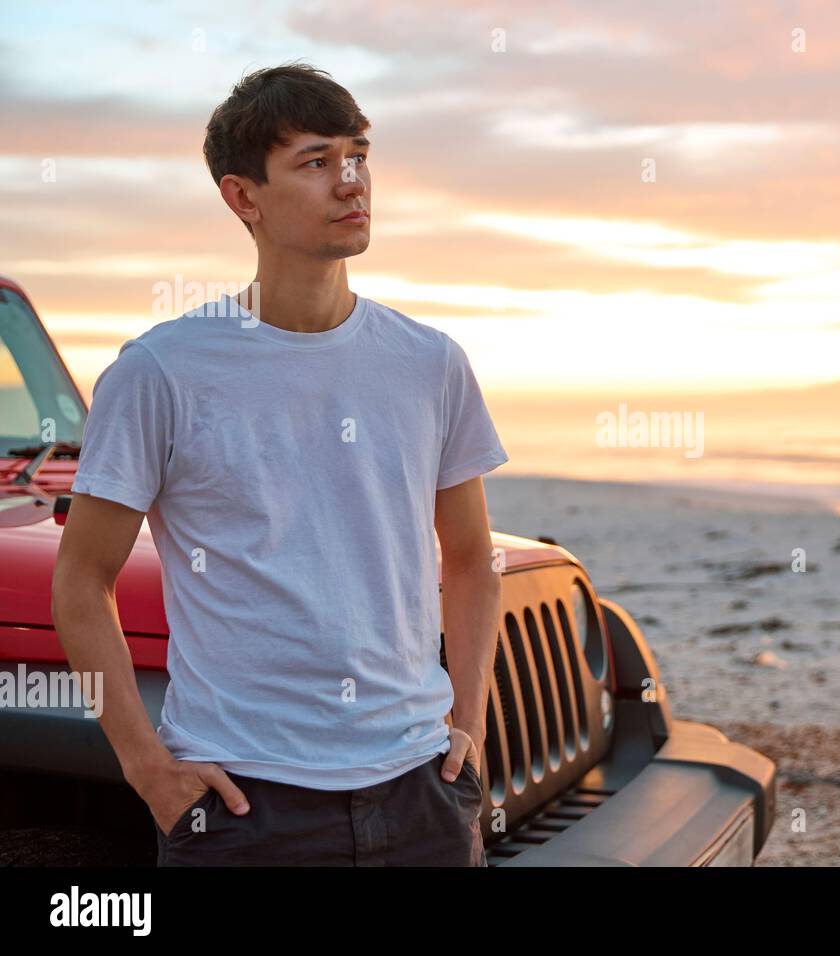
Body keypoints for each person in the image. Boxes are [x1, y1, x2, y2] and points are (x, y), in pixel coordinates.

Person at [49, 61, 508, 866]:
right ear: (243, 197)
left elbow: (472, 560)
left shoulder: (429, 362)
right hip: (245, 808)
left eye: (359, 155)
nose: (351, 181)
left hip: (420, 795)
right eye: (316, 161)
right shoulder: (161, 372)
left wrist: (464, 723)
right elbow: (81, 582)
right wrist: (145, 766)